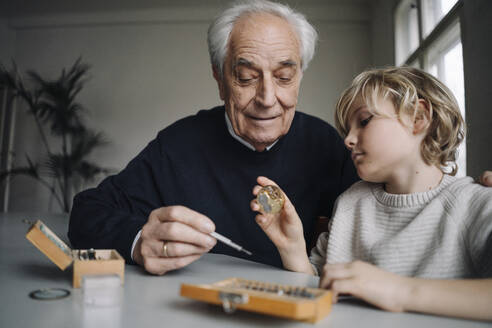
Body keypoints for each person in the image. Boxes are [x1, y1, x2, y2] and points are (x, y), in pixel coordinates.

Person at [68, 0, 359, 274]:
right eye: (246, 77)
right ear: (220, 79)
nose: (268, 99)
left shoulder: (326, 145)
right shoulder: (178, 145)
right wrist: (139, 241)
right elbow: (86, 213)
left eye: (284, 77)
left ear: (299, 79)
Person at [252, 66, 492, 321]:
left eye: (364, 121)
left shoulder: (474, 204)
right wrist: (293, 248)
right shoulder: (350, 203)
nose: (348, 140)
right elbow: (317, 288)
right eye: (347, 130)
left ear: (418, 117)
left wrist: (400, 291)